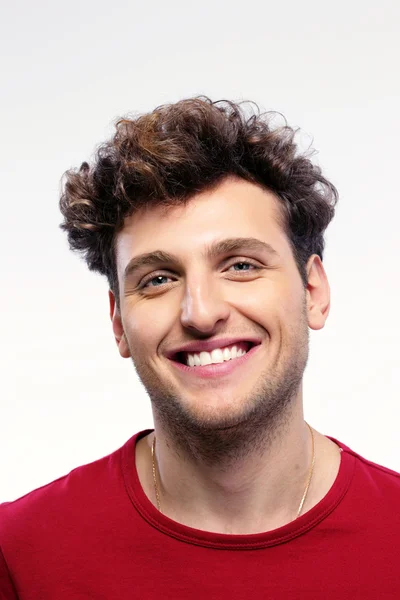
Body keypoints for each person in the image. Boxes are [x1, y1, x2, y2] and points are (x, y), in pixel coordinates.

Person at [1, 97, 399, 599]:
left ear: (313, 293)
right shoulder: (19, 554)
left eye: (241, 265)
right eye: (158, 279)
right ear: (118, 322)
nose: (201, 312)